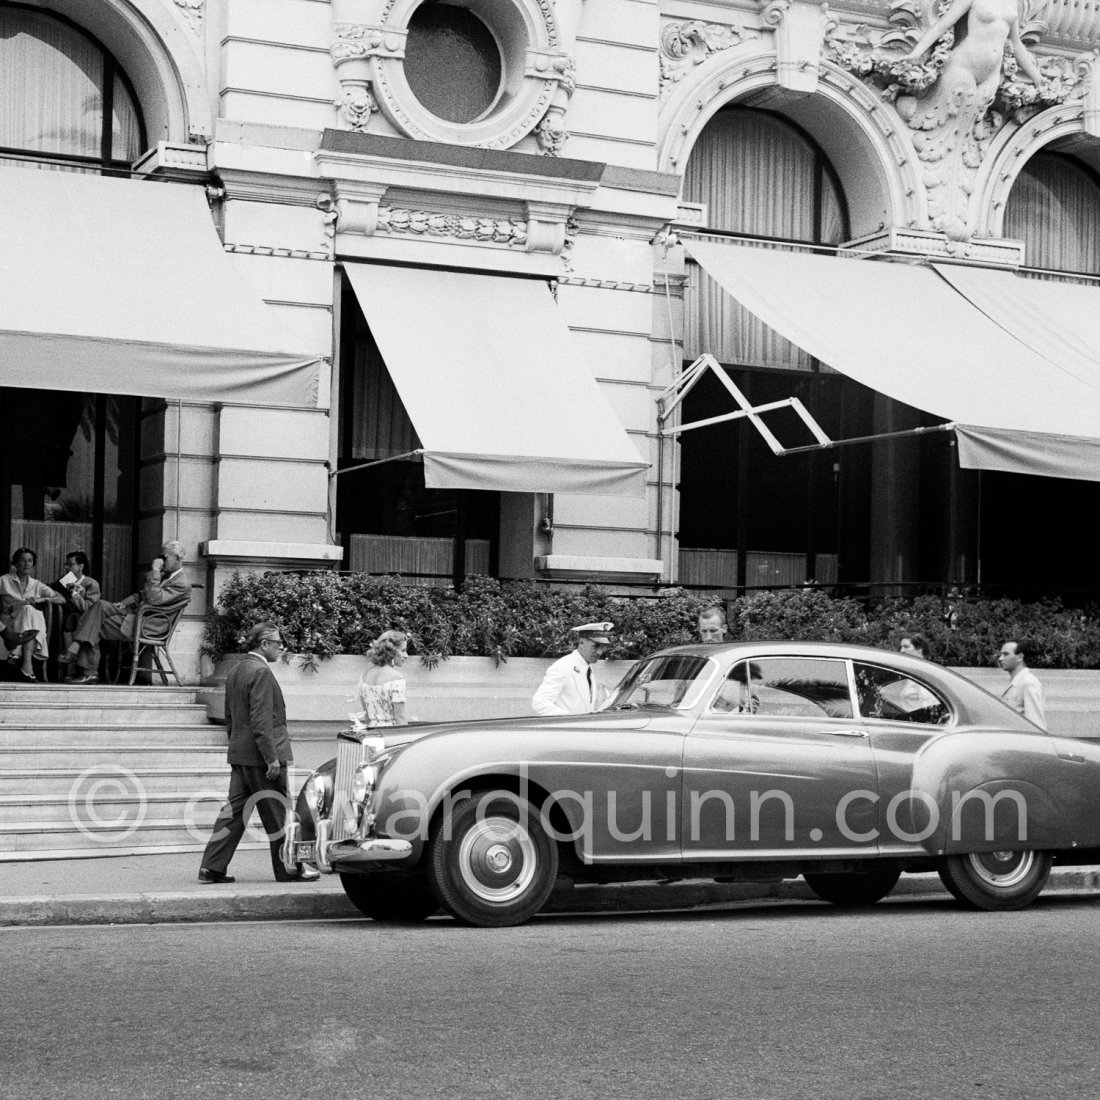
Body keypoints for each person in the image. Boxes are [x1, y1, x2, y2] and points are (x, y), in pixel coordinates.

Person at [198, 622, 318, 884]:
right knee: (277, 814)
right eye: (277, 642)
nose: (280, 647)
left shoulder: (237, 670)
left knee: (233, 814)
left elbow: (230, 716)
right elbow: (261, 720)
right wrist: (271, 757)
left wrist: (238, 747)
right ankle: (289, 869)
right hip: (264, 757)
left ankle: (211, 867)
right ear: (264, 644)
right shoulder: (261, 672)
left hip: (241, 754)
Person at [67, 540, 190, 684]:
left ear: (178, 559)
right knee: (99, 606)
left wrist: (156, 571)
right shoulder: (166, 576)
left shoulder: (182, 583)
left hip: (148, 625)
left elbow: (155, 598)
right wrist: (123, 603)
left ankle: (87, 668)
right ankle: (82, 657)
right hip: (136, 616)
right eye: (160, 556)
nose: (161, 561)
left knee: (93, 623)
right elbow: (141, 595)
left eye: (165, 557)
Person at [0, 548, 65, 682]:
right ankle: (25, 665)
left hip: (26, 626)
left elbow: (61, 598)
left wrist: (43, 599)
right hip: (8, 622)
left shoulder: (36, 584)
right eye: (23, 560)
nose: (27, 564)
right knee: (30, 611)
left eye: (30, 561)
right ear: (15, 563)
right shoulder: (4, 580)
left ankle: (19, 655)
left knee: (30, 611)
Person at [532, 621, 614, 716]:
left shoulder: (587, 668)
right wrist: (569, 720)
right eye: (595, 646)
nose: (599, 652)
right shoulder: (563, 667)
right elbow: (540, 703)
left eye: (603, 647)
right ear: (581, 643)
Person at [55, 551, 100, 666]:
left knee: (71, 619)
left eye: (70, 564)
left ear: (81, 566)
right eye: (66, 564)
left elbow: (87, 608)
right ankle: (69, 663)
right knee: (68, 619)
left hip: (86, 619)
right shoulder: (64, 581)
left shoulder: (91, 583)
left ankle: (72, 662)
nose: (67, 567)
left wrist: (74, 592)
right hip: (63, 618)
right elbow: (50, 589)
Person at [355, 630, 409, 727]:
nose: (406, 656)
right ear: (392, 652)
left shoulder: (364, 676)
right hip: (390, 735)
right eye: (403, 650)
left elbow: (367, 716)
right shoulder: (397, 678)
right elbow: (399, 718)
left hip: (371, 733)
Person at [998, 638, 1047, 730]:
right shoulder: (1018, 682)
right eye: (1001, 654)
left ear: (1020, 657)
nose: (1000, 658)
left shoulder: (1028, 683)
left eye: (1006, 654)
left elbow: (1035, 724)